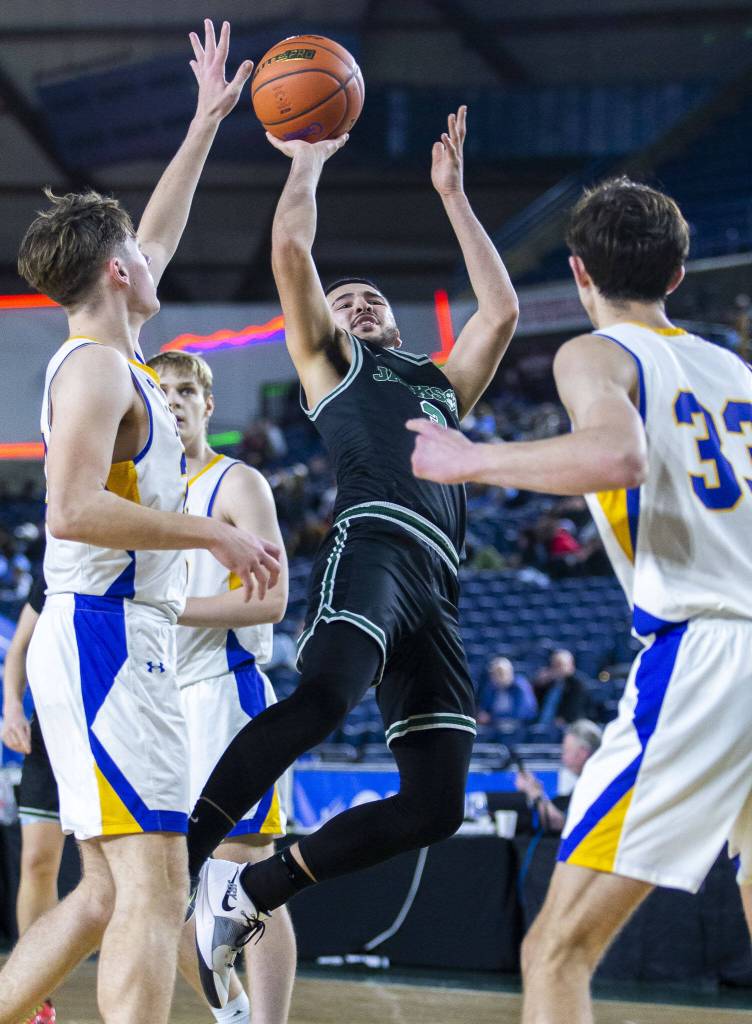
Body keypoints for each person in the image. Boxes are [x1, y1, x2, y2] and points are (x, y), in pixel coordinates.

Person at [187, 105, 519, 1007]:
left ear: (398, 324)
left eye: (373, 299)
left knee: (437, 806)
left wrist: (452, 196)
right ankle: (189, 862)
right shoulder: (335, 367)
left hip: (438, 589)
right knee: (326, 695)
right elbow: (294, 254)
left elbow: (503, 309)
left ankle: (256, 887)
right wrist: (306, 162)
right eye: (347, 300)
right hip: (373, 537)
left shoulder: (439, 384)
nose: (360, 303)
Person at [408, 175, 752, 1023]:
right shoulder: (732, 366)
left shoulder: (597, 353)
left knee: (556, 948)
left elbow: (616, 457)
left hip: (708, 652)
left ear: (579, 274)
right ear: (678, 275)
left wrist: (472, 460)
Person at [0, 22, 280, 1024]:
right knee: (156, 882)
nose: (157, 258)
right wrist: (211, 534)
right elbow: (70, 506)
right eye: (140, 257)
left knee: (112, 893)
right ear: (115, 272)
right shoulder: (91, 369)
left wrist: (205, 122)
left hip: (119, 639)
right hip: (107, 637)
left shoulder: (115, 345)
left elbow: (154, 227)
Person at [148, 350, 297, 1024]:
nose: (174, 400)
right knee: (157, 887)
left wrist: (166, 609)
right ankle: (230, 1014)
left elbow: (272, 603)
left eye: (186, 391)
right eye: (162, 391)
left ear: (208, 406)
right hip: (156, 703)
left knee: (244, 883)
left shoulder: (237, 484)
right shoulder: (141, 494)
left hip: (223, 694)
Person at [1, 571, 60, 1024]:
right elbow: (19, 644)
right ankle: (36, 997)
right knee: (37, 862)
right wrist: (14, 709)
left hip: (123, 718)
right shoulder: (57, 554)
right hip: (54, 727)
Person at [514, 720, 602, 833]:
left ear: (582, 753)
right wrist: (537, 793)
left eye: (566, 751)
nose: (562, 757)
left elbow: (560, 824)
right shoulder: (585, 783)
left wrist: (534, 793)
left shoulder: (594, 786)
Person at [476, 656, 537, 735]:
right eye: (494, 674)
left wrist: (492, 717)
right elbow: (484, 709)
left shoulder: (520, 687)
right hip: (494, 727)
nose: (497, 677)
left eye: (501, 673)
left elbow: (521, 714)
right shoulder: (491, 688)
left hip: (518, 728)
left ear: (510, 672)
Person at [532, 648, 587, 726]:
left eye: (559, 665)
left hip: (565, 726)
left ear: (571, 666)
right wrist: (539, 685)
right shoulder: (548, 683)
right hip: (541, 724)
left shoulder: (577, 685)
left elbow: (574, 711)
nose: (556, 669)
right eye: (553, 665)